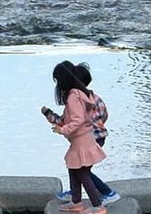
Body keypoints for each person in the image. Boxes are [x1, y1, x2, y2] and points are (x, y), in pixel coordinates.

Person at [41, 62, 119, 204]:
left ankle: (107, 194)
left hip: (88, 139)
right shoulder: (92, 97)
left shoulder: (75, 99)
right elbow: (104, 115)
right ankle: (75, 194)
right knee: (77, 167)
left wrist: (62, 128)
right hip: (97, 136)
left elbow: (70, 121)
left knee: (82, 171)